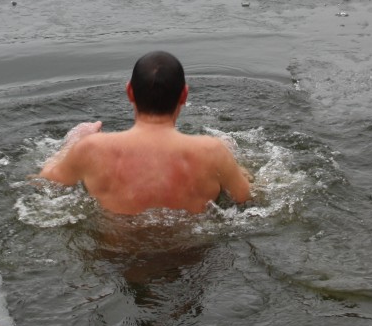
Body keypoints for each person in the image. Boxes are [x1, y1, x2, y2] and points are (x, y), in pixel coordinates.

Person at [36, 51, 252, 215]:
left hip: (112, 256)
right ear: (184, 95)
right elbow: (246, 198)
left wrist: (73, 140)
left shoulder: (91, 148)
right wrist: (231, 156)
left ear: (129, 91)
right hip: (190, 256)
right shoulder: (212, 151)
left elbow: (46, 183)